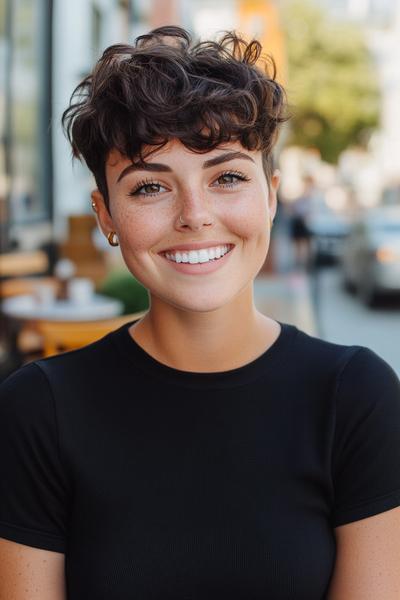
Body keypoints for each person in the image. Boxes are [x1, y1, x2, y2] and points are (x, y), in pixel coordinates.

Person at [0, 26, 399, 600]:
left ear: (271, 194)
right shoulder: (38, 411)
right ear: (106, 215)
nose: (195, 215)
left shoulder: (357, 397)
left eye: (228, 177)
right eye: (148, 188)